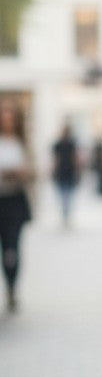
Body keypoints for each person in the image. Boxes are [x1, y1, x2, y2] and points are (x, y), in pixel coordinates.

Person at [0, 99, 33, 313]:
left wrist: (21, 172)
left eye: (10, 117)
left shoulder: (23, 143)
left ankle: (11, 287)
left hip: (15, 201)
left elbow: (33, 169)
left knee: (11, 248)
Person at [51, 121, 81, 225]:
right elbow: (56, 160)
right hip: (63, 172)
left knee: (67, 195)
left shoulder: (70, 144)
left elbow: (74, 159)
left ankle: (66, 213)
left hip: (68, 172)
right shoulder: (58, 145)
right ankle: (65, 213)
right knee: (64, 195)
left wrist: (77, 171)